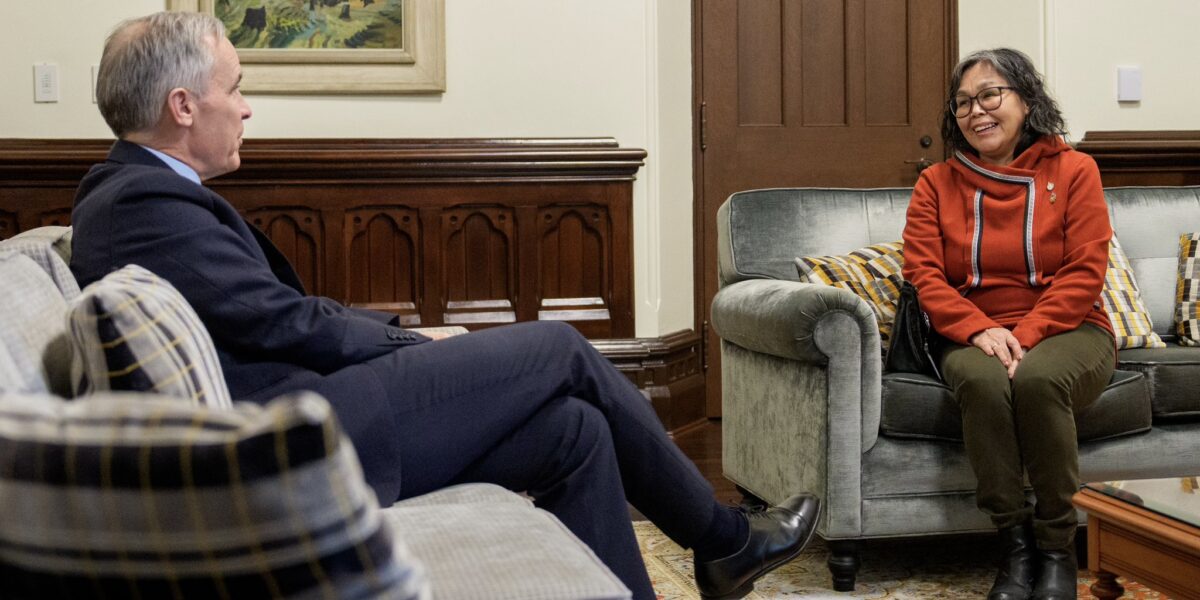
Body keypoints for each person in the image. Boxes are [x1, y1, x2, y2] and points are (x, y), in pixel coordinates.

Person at [69, 11, 820, 600]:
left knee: (574, 430)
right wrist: (413, 347)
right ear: (182, 105)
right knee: (558, 346)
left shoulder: (142, 194)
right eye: (234, 89)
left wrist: (408, 334)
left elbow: (265, 313)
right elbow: (278, 320)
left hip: (315, 411)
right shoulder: (140, 202)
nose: (246, 108)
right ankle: (724, 541)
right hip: (304, 436)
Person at [902, 48, 1113, 600]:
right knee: (984, 379)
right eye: (964, 102)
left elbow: (1086, 269)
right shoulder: (935, 184)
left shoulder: (1075, 170)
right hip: (972, 331)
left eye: (991, 94)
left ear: (1026, 100)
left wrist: (1026, 334)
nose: (977, 110)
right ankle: (1015, 547)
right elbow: (924, 273)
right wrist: (977, 328)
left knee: (1040, 379)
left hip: (1071, 327)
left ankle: (1056, 549)